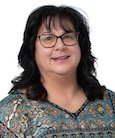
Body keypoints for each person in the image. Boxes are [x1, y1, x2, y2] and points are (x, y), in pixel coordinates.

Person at [0, 5, 114, 138]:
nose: (60, 46)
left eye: (68, 37)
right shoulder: (12, 113)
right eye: (48, 38)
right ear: (32, 48)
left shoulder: (111, 103)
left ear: (81, 45)